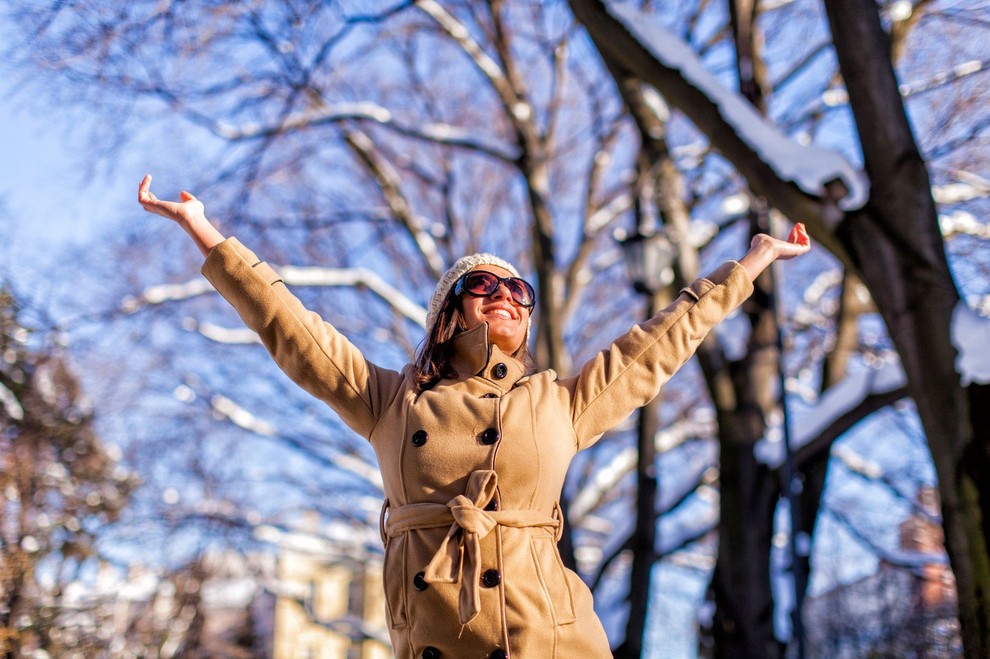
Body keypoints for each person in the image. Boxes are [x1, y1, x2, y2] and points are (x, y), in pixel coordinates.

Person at [138, 174, 810, 658]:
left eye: (520, 291)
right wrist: (206, 232)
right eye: (484, 285)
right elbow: (293, 329)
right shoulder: (389, 399)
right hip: (435, 641)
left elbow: (660, 342)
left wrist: (750, 263)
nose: (507, 298)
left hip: (550, 641)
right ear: (447, 311)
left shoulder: (558, 400)